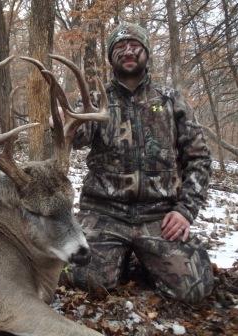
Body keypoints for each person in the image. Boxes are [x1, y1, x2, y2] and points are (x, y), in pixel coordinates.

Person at [63, 22, 214, 304]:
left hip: (158, 215)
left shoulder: (171, 100)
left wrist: (185, 211)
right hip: (103, 213)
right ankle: (116, 259)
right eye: (119, 47)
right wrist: (62, 124)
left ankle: (146, 258)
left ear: (146, 53)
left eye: (135, 45)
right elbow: (78, 138)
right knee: (83, 280)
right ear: (111, 57)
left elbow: (199, 158)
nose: (128, 51)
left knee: (194, 289)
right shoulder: (96, 101)